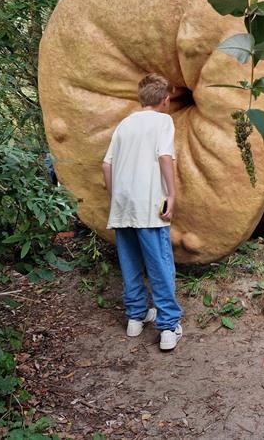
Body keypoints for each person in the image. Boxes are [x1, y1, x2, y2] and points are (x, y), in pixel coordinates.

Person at [101, 73, 183, 351]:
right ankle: (168, 326)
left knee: (130, 262)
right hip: (149, 206)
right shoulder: (163, 121)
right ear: (166, 99)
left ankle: (135, 318)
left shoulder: (124, 125)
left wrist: (117, 198)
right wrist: (171, 194)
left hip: (122, 207)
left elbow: (106, 166)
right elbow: (164, 157)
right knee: (160, 264)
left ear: (141, 97)